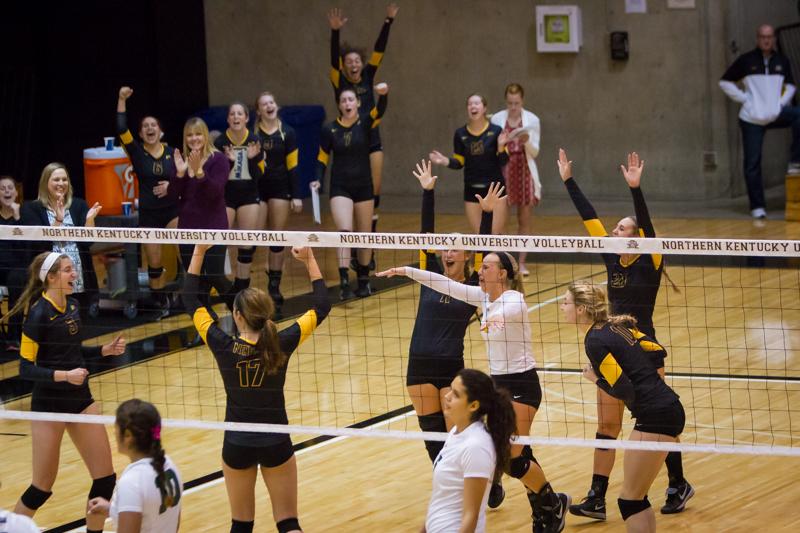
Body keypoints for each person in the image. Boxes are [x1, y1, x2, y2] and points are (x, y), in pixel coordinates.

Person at [378, 253, 570, 533]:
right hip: (499, 386)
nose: (480, 271)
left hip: (522, 386)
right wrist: (407, 271)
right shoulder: (482, 297)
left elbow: (511, 311)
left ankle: (550, 505)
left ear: (502, 273)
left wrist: (496, 319)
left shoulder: (513, 299)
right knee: (511, 453)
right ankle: (549, 503)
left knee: (512, 457)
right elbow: (443, 284)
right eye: (480, 267)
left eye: (487, 267)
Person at [557, 149, 692, 519]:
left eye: (622, 229)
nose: (615, 232)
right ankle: (597, 497)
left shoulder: (650, 258)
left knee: (657, 418)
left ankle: (678, 482)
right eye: (616, 229)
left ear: (637, 237)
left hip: (647, 350)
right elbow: (590, 220)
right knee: (607, 424)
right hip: (610, 346)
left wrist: (636, 188)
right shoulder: (611, 258)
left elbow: (646, 225)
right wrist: (568, 180)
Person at [183, 244, 330, 533]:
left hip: (237, 443)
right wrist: (310, 259)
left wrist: (199, 250)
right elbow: (322, 306)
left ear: (237, 316)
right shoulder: (282, 342)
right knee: (288, 523)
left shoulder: (221, 344)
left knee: (241, 524)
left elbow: (190, 300)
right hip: (276, 441)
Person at [5, 251, 125, 532]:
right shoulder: (37, 315)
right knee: (41, 488)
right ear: (51, 277)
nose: (75, 275)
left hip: (80, 399)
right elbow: (24, 368)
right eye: (69, 270)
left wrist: (103, 351)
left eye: (74, 269)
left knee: (105, 479)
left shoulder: (72, 307)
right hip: (49, 405)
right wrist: (64, 376)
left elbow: (72, 353)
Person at [561, 281, 686, 533]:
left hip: (654, 416)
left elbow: (624, 390)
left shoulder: (594, 340)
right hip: (668, 408)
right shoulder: (615, 327)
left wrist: (595, 378)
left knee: (629, 500)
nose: (562, 307)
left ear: (582, 309)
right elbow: (656, 349)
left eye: (566, 302)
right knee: (636, 498)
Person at [406, 159, 497, 466]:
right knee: (434, 442)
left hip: (449, 366)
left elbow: (486, 248)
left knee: (457, 437)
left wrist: (487, 213)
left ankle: (485, 478)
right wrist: (428, 192)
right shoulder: (429, 275)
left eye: (455, 248)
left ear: (468, 255)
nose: (447, 252)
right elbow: (424, 235)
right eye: (445, 247)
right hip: (417, 364)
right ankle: (452, 492)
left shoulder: (474, 286)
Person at [327, 3, 398, 236]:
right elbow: (332, 58)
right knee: (353, 186)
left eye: (357, 61)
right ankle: (354, 229)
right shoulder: (340, 82)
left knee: (374, 189)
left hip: (371, 136)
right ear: (344, 65)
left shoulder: (368, 75)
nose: (354, 64)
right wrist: (335, 31)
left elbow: (380, 50)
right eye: (349, 61)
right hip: (349, 139)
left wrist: (388, 21)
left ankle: (369, 233)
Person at [313, 85, 388, 299]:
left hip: (364, 186)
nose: (347, 104)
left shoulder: (366, 123)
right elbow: (322, 158)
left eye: (350, 100)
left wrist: (383, 96)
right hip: (340, 187)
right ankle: (344, 281)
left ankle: (364, 280)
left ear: (358, 103)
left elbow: (379, 111)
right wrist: (318, 180)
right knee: (345, 232)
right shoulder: (330, 129)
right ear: (339, 104)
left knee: (364, 236)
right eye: (343, 100)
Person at [719, 23, 800, 219]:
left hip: (775, 113)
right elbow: (725, 82)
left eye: (770, 36)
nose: (767, 40)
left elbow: (790, 86)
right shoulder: (746, 60)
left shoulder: (782, 60)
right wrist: (745, 99)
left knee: (798, 114)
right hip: (752, 118)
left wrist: (780, 103)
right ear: (758, 38)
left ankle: (795, 161)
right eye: (763, 36)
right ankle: (757, 207)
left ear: (773, 39)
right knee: (752, 163)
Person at [423, 369, 516, 533]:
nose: (447, 396)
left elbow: (470, 516)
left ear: (473, 405)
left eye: (456, 394)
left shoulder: (476, 446)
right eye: (450, 389)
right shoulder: (456, 432)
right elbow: (441, 498)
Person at [116, 86, 179, 315]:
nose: (150, 128)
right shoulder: (135, 151)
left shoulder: (173, 152)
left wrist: (172, 187)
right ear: (141, 134)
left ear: (161, 131)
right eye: (145, 126)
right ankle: (160, 302)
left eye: (154, 125)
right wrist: (122, 99)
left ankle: (190, 295)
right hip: (150, 214)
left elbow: (185, 180)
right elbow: (121, 127)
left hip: (173, 211)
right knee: (154, 262)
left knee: (188, 250)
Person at [87, 399, 182, 533]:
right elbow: (165, 519)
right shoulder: (168, 464)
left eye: (116, 428)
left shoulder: (132, 483)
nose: (114, 433)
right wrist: (114, 509)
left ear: (128, 436)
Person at [20, 163, 102, 317]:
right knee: (50, 325)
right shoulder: (31, 208)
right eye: (56, 179)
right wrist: (58, 220)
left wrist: (90, 221)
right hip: (48, 278)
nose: (61, 183)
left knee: (78, 325)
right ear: (45, 183)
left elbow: (87, 243)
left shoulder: (79, 205)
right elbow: (39, 244)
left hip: (78, 277)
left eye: (64, 180)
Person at [169, 117, 232, 310]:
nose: (194, 138)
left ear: (205, 135)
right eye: (189, 135)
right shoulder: (181, 161)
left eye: (197, 134)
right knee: (194, 278)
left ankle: (243, 311)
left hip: (214, 226)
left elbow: (215, 193)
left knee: (215, 275)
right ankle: (205, 325)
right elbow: (173, 196)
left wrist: (199, 173)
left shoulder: (219, 160)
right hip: (188, 227)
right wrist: (180, 174)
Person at [430, 94, 509, 235]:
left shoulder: (497, 131)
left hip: (495, 189)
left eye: (477, 103)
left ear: (484, 108)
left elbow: (504, 161)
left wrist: (501, 146)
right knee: (479, 237)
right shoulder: (460, 134)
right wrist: (444, 161)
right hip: (472, 190)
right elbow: (459, 162)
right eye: (470, 104)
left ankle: (497, 257)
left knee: (495, 236)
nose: (473, 106)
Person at [254, 92, 302, 313]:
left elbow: (293, 166)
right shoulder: (252, 134)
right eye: (264, 104)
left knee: (276, 237)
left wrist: (296, 195)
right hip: (257, 189)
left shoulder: (288, 132)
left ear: (277, 106)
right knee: (254, 236)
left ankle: (274, 286)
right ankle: (245, 284)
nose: (268, 106)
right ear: (258, 111)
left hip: (281, 188)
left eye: (271, 102)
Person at [490, 83, 541, 276]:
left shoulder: (533, 120)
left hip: (524, 171)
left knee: (524, 219)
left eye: (516, 103)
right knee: (501, 221)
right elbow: (492, 148)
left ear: (522, 101)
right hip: (504, 170)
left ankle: (521, 263)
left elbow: (535, 152)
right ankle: (502, 261)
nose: (513, 107)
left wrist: (527, 140)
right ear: (506, 101)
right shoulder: (496, 119)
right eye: (510, 103)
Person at [214, 102, 265, 293]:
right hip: (226, 197)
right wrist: (228, 161)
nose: (236, 117)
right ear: (228, 119)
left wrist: (251, 159)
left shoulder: (253, 140)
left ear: (246, 118)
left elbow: (260, 174)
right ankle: (220, 285)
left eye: (239, 114)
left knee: (246, 244)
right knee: (220, 242)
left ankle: (241, 288)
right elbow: (216, 177)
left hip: (249, 196)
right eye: (232, 114)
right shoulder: (220, 142)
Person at [0, 176, 26, 351]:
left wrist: (17, 218)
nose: (7, 191)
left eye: (10, 188)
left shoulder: (24, 217)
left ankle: (13, 336)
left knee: (18, 279)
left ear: (16, 193)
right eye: (2, 188)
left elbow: (26, 249)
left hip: (16, 269)